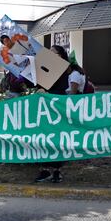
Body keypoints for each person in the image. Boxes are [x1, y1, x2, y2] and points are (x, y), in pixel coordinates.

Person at [33, 45, 72, 184]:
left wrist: (48, 94)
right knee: (42, 139)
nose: (49, 54)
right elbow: (35, 85)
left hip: (56, 111)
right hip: (43, 110)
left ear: (60, 56)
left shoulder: (64, 71)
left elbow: (62, 92)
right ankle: (44, 170)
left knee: (56, 139)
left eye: (52, 52)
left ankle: (56, 171)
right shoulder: (43, 68)